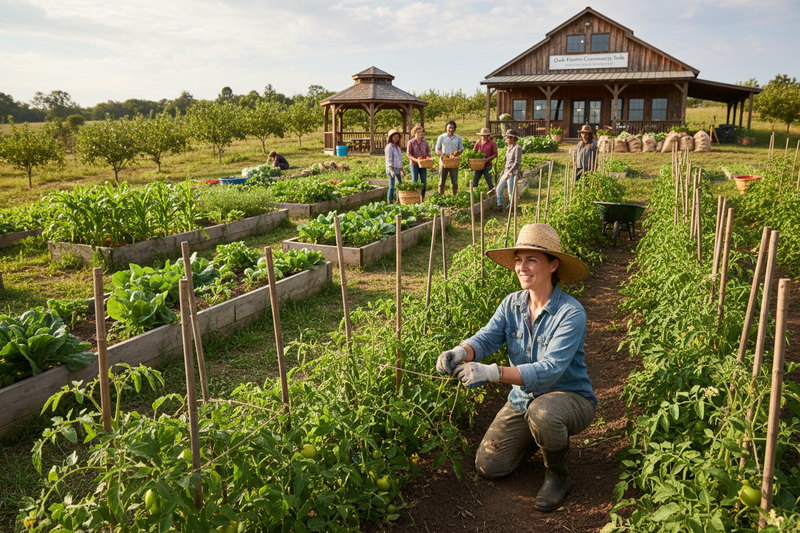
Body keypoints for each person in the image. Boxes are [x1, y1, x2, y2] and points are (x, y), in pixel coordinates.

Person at [436, 223, 596, 512]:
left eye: (531, 260)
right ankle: (539, 439)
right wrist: (461, 351)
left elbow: (550, 369)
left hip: (570, 399)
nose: (522, 267)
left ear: (553, 265)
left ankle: (558, 474)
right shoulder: (512, 304)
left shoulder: (571, 313)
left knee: (544, 413)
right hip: (523, 400)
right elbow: (486, 338)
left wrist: (491, 372)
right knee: (490, 466)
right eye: (519, 260)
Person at [435, 120, 463, 196]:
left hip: (454, 162)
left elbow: (461, 149)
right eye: (449, 128)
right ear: (446, 128)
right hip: (443, 162)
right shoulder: (441, 137)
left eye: (452, 128)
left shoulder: (458, 138)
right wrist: (439, 153)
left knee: (454, 181)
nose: (451, 129)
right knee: (441, 181)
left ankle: (455, 195)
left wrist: (458, 152)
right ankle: (441, 196)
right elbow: (437, 148)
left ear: (454, 129)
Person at [495, 129, 521, 210]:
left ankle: (512, 208)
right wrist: (504, 171)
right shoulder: (509, 147)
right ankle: (500, 205)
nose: (506, 139)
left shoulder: (517, 148)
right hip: (506, 172)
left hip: (512, 173)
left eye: (507, 138)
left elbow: (517, 162)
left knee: (511, 191)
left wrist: (508, 173)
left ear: (513, 138)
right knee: (499, 188)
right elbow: (507, 161)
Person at [406, 124, 431, 200]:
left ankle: (422, 198)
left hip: (423, 164)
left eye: (422, 132)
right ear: (414, 133)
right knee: (415, 182)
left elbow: (428, 152)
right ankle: (415, 198)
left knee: (424, 182)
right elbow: (408, 154)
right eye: (419, 132)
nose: (421, 133)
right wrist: (416, 160)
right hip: (414, 164)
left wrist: (428, 159)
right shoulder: (411, 142)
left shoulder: (425, 142)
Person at [384, 129, 405, 204]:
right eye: (395, 137)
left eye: (397, 137)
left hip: (397, 168)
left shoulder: (398, 147)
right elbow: (389, 160)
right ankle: (390, 201)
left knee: (400, 185)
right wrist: (391, 171)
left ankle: (399, 200)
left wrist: (402, 170)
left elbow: (399, 160)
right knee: (392, 186)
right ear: (391, 138)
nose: (396, 138)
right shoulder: (389, 147)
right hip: (391, 168)